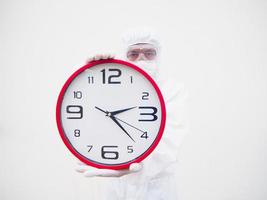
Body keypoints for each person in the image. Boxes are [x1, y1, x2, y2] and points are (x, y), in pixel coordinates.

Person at [76, 28, 188, 200]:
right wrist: (94, 74)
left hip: (157, 189)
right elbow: (89, 109)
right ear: (124, 56)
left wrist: (137, 165)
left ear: (158, 56)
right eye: (133, 53)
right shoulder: (113, 87)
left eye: (149, 53)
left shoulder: (172, 89)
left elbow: (170, 142)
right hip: (116, 188)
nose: (141, 59)